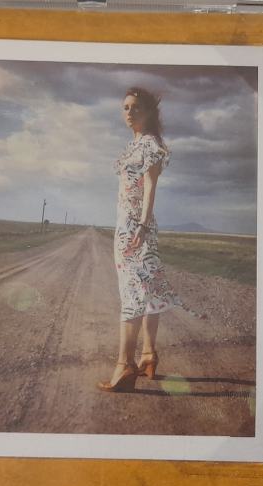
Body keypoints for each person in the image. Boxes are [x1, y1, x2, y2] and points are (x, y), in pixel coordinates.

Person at [98, 87, 178, 392]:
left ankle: (124, 365)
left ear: (149, 112)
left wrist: (141, 227)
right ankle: (148, 354)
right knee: (147, 291)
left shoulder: (150, 145)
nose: (129, 112)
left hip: (135, 229)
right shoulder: (135, 145)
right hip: (128, 226)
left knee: (132, 294)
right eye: (125, 107)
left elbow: (149, 188)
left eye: (135, 107)